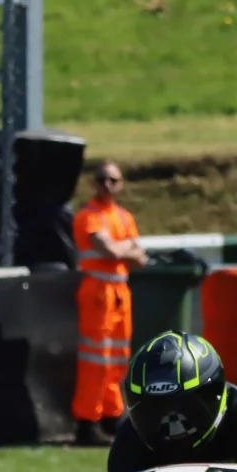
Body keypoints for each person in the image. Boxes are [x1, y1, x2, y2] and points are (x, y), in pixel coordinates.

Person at [106, 332, 237, 472]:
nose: (173, 425)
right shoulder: (127, 444)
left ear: (213, 394)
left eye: (186, 407)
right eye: (154, 409)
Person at [71, 161, 148, 447]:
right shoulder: (88, 216)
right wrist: (126, 247)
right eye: (102, 179)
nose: (107, 185)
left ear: (121, 185)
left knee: (118, 358)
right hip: (98, 291)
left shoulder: (124, 217)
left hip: (119, 292)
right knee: (96, 360)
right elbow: (111, 250)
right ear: (94, 183)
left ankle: (111, 415)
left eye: (113, 180)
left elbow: (140, 258)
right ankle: (88, 421)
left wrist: (122, 249)